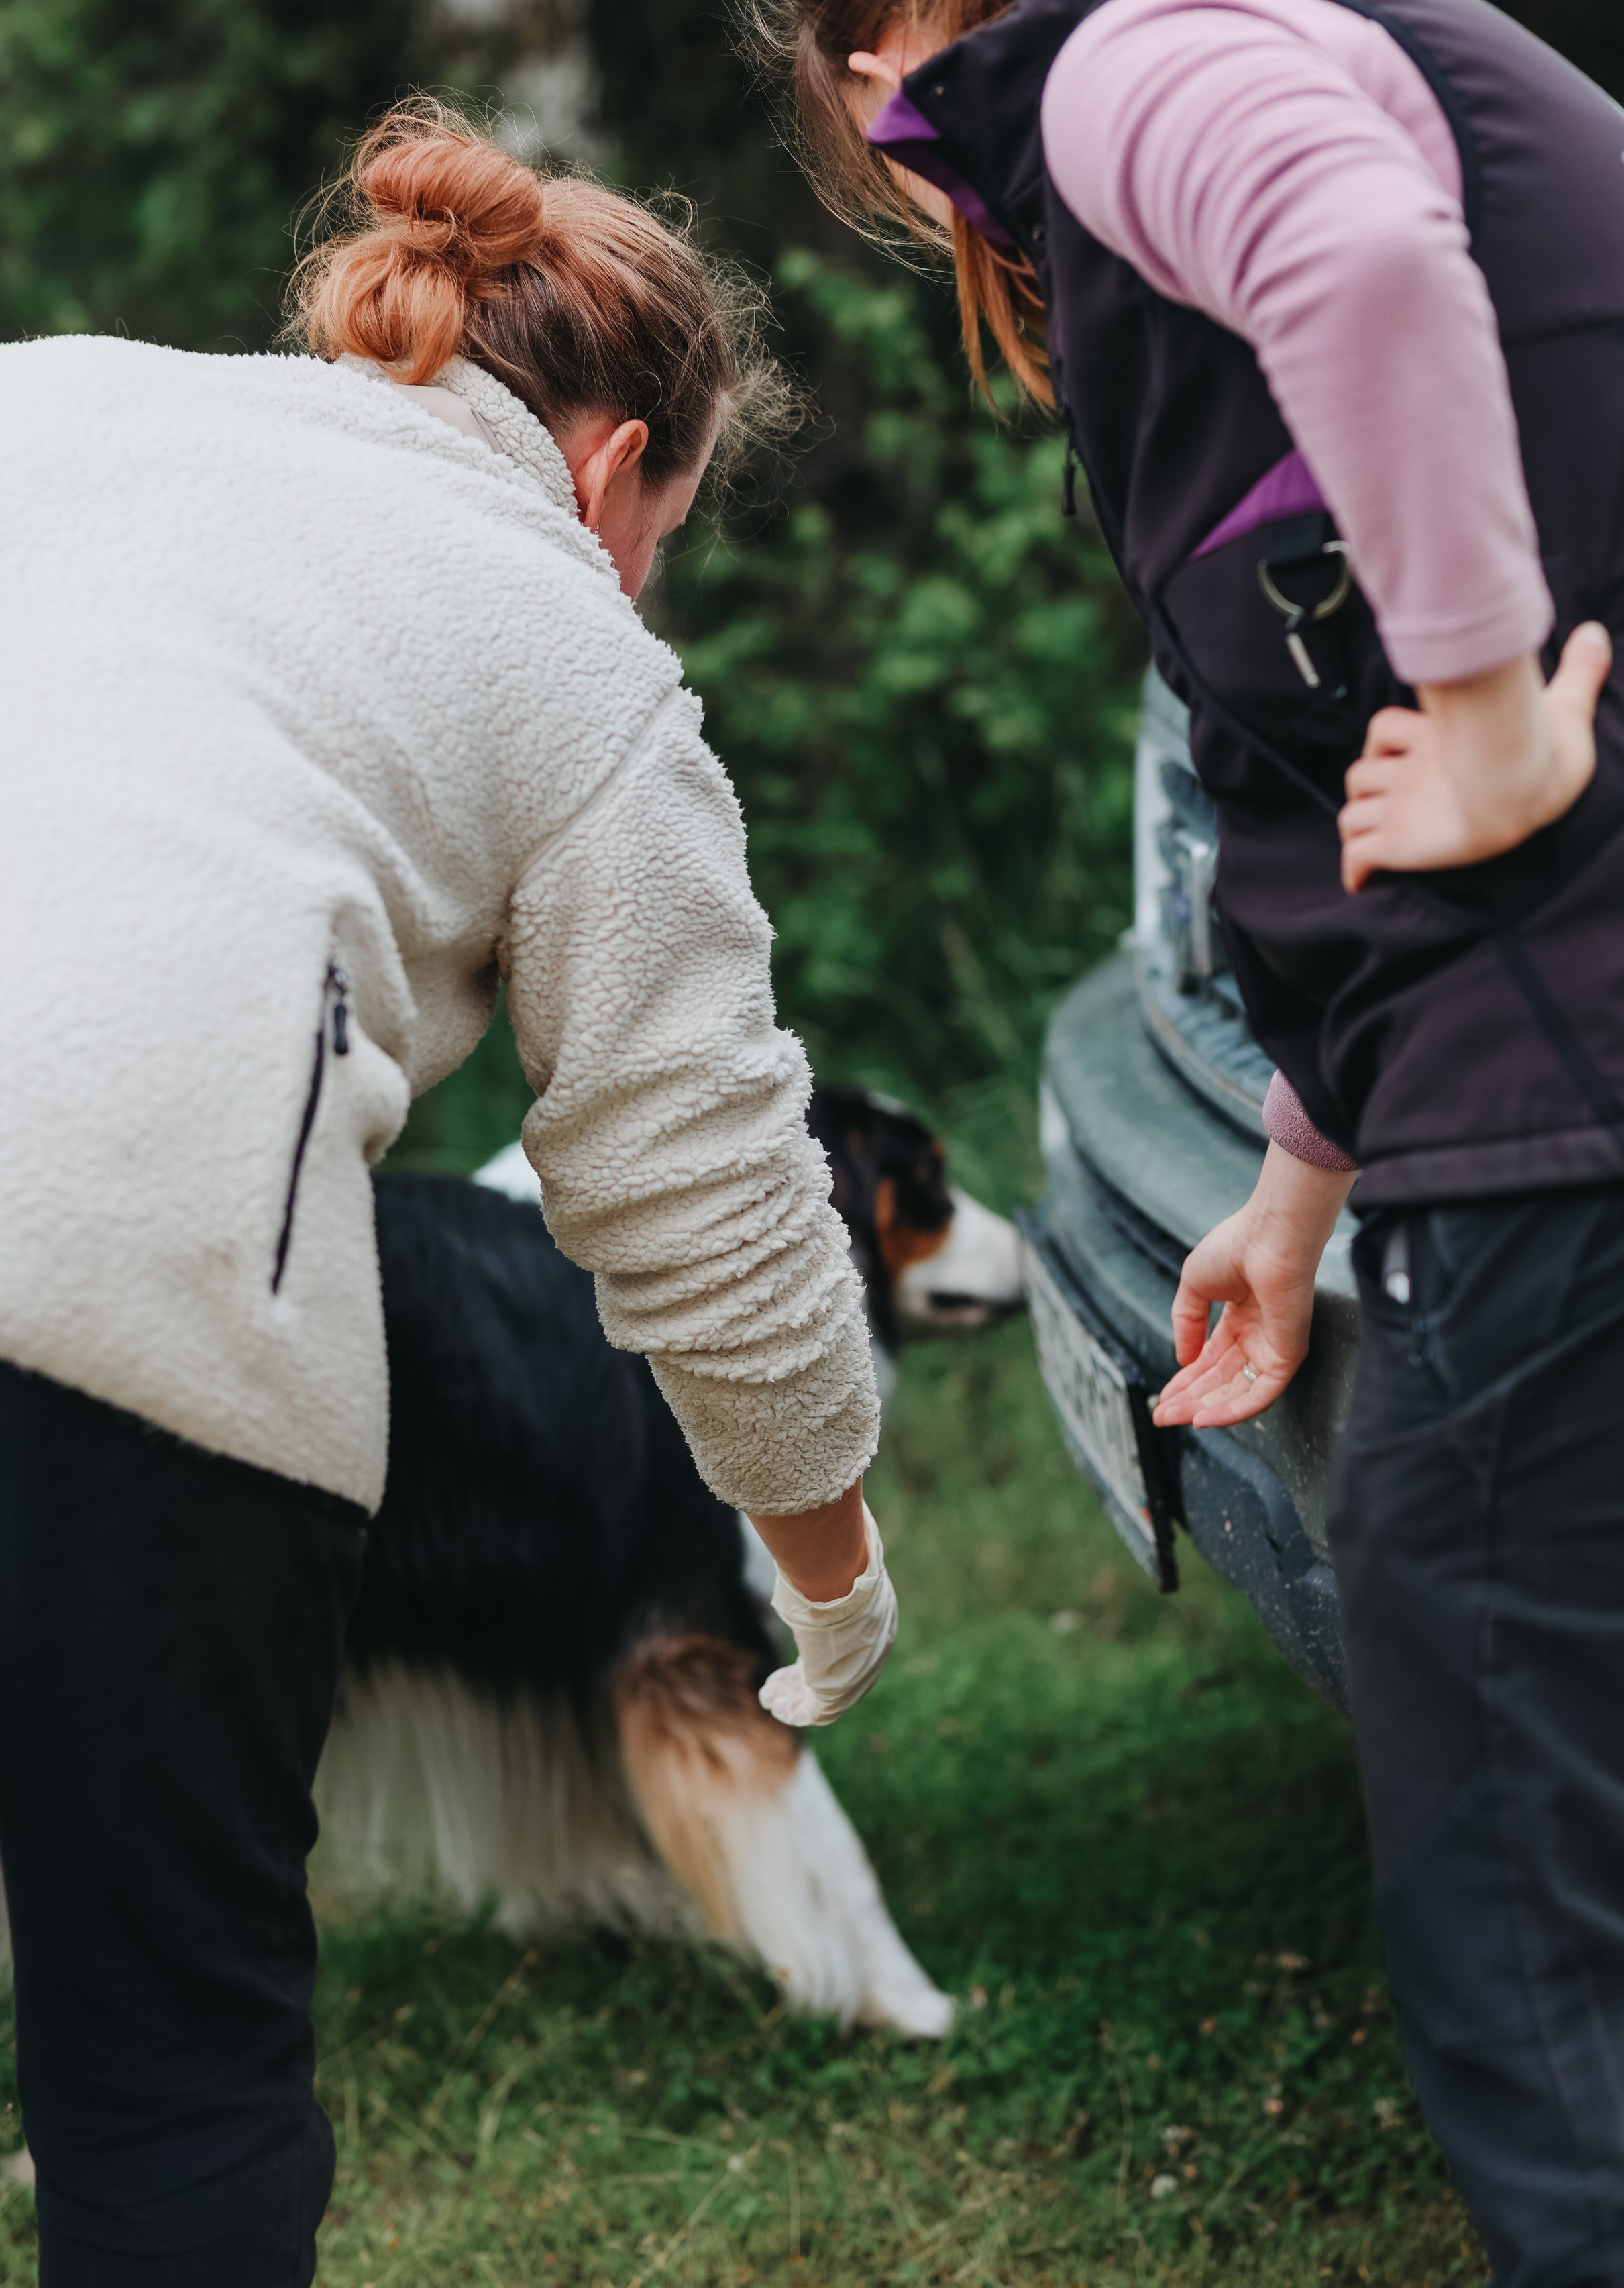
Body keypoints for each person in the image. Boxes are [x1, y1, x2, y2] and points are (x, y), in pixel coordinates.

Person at [752, 0, 1624, 2276]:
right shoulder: (1367, 42)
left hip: (1593, 1073)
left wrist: (1491, 712)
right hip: (1612, 1039)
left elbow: (1361, 264)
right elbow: (1311, 747)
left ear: (875, 62)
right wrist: (1297, 1187)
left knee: (1548, 1920)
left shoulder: (1125, 63)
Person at [0, 102, 900, 2285]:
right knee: (172, 2079)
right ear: (616, 469)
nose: (642, 578)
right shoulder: (576, 648)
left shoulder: (57, 396)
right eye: (661, 534)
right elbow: (705, 1191)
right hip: (142, 1275)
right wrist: (833, 1574)